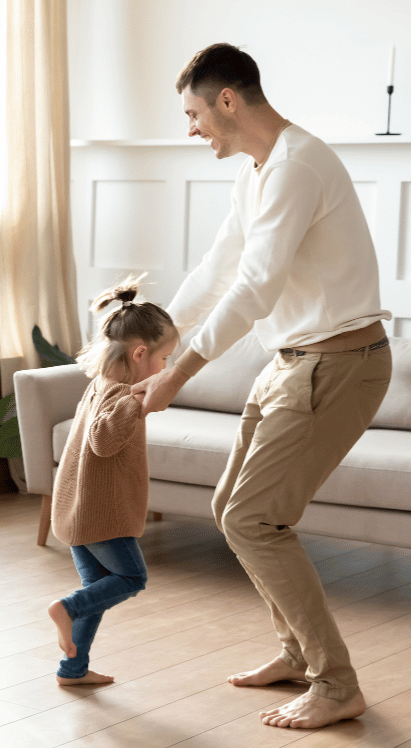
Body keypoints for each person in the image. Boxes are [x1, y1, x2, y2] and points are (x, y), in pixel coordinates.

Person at [132, 43, 392, 729]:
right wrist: (156, 340)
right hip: (293, 360)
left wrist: (178, 377)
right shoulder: (255, 173)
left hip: (338, 363)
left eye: (193, 114)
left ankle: (338, 684)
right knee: (232, 507)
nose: (191, 130)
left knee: (253, 518)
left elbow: (255, 286)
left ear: (226, 101)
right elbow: (221, 265)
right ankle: (299, 656)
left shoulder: (298, 166)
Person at [48, 277, 178, 687]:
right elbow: (103, 441)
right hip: (101, 514)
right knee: (129, 578)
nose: (166, 369)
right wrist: (137, 404)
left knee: (97, 590)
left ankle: (73, 669)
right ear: (141, 353)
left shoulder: (99, 384)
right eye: (165, 359)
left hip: (77, 510)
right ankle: (66, 609)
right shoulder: (123, 394)